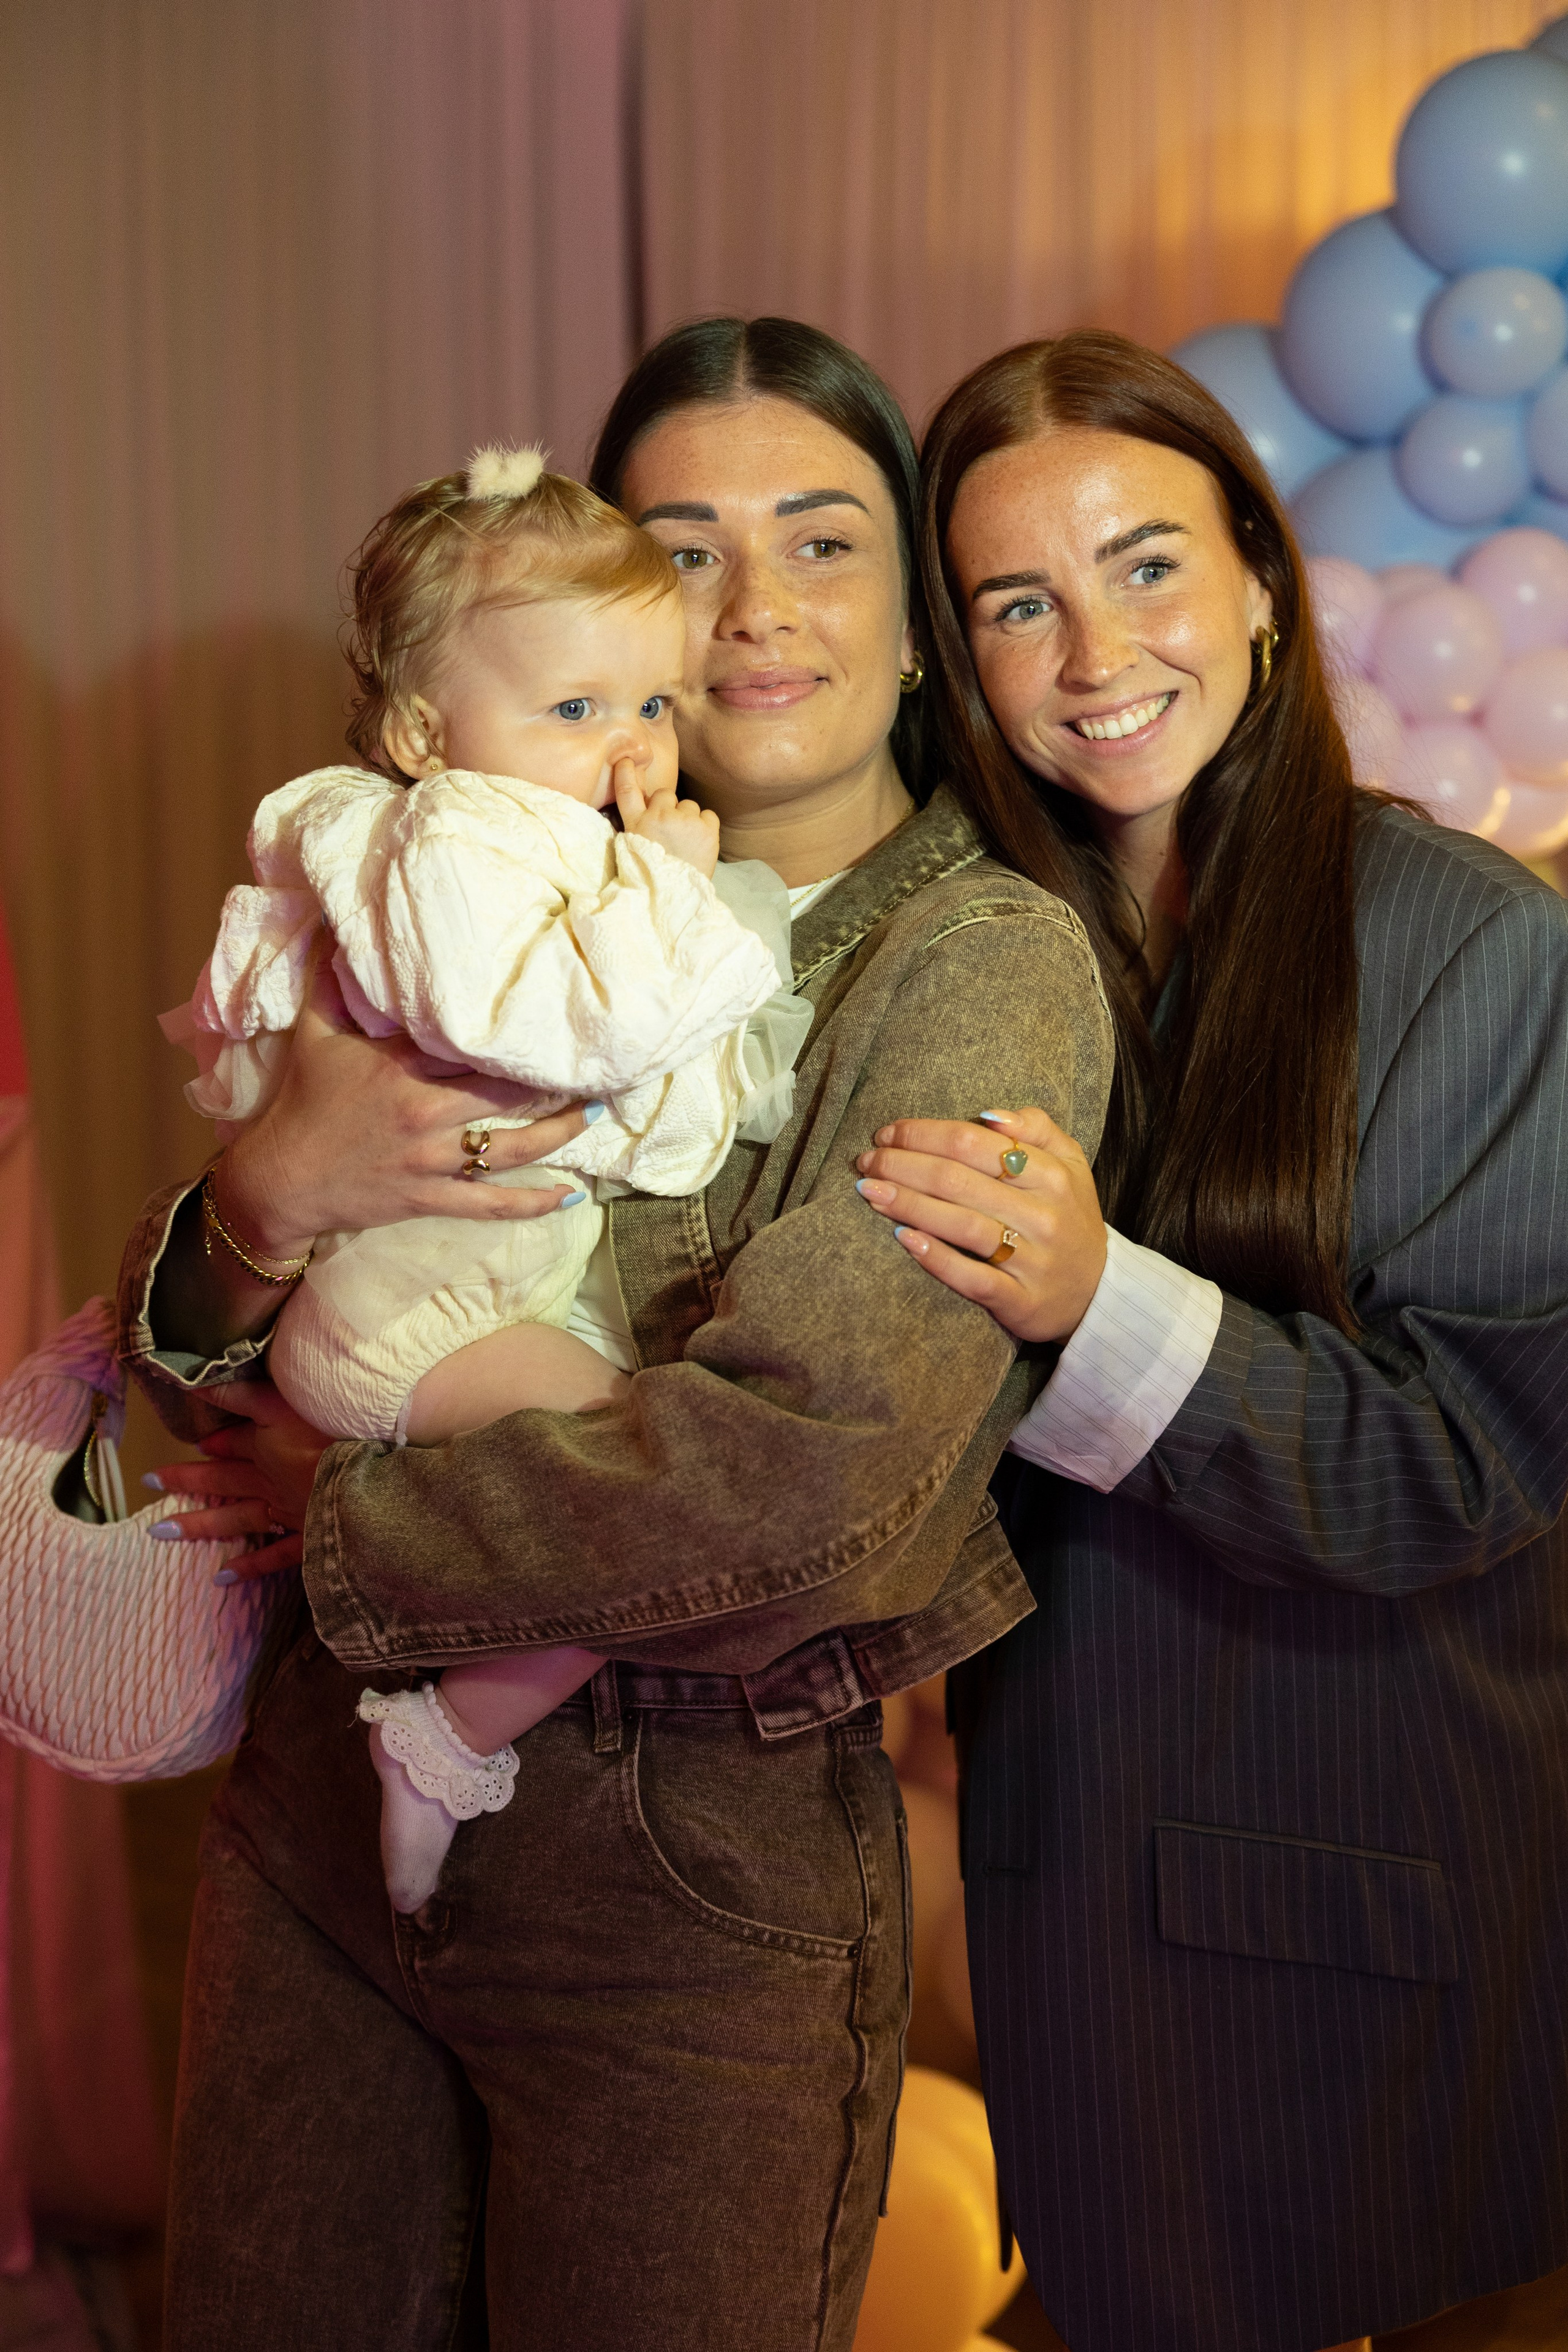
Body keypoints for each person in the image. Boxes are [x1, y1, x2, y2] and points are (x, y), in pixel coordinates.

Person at [119, 316, 1114, 2352]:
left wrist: (345, 1533)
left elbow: (812, 1481)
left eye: (823, 541)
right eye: (681, 543)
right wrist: (250, 1211)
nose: (748, 606)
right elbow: (200, 1372)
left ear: (916, 624)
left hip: (687, 1894)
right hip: (319, 1851)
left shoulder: (972, 963)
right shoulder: (461, 875)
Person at [854, 328, 1568, 2352]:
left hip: (1388, 1927)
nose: (1095, 651)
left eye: (1147, 566)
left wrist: (1100, 1302)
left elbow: (1474, 1466)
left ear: (1262, 578)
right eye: (1020, 602)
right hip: (1074, 1913)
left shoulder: (1476, 948)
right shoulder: (979, 964)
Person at [164, 444, 802, 1912]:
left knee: (640, 1487)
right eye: (574, 709)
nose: (630, 749)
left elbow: (637, 1115)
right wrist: (670, 887)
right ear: (418, 730)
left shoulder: (531, 834)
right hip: (403, 1310)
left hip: (458, 1299)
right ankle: (448, 1738)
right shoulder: (460, 841)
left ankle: (444, 1723)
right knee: (654, 1494)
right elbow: (540, 1032)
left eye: (651, 703)